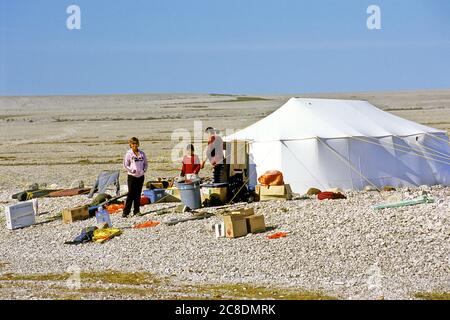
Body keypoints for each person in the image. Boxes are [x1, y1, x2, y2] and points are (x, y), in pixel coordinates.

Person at [122, 137, 148, 217]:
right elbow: (125, 165)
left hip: (140, 176)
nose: (135, 145)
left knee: (138, 194)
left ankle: (136, 211)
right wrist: (131, 170)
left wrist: (144, 170)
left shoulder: (142, 153)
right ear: (130, 145)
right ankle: (126, 212)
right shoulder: (128, 154)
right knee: (131, 194)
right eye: (133, 144)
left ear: (138, 144)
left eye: (136, 143)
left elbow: (146, 164)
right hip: (132, 176)